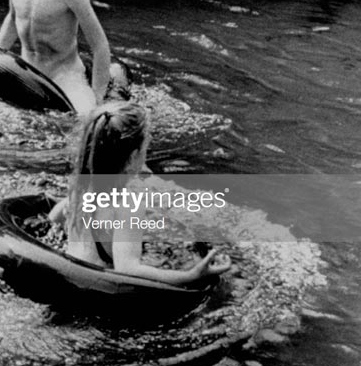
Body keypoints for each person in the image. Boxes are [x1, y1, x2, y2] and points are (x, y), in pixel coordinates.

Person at [48, 101, 231, 281]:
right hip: (98, 295)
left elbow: (53, 218)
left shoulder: (80, 190)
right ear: (135, 156)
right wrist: (192, 275)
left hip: (70, 281)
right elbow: (127, 269)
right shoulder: (127, 204)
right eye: (145, 148)